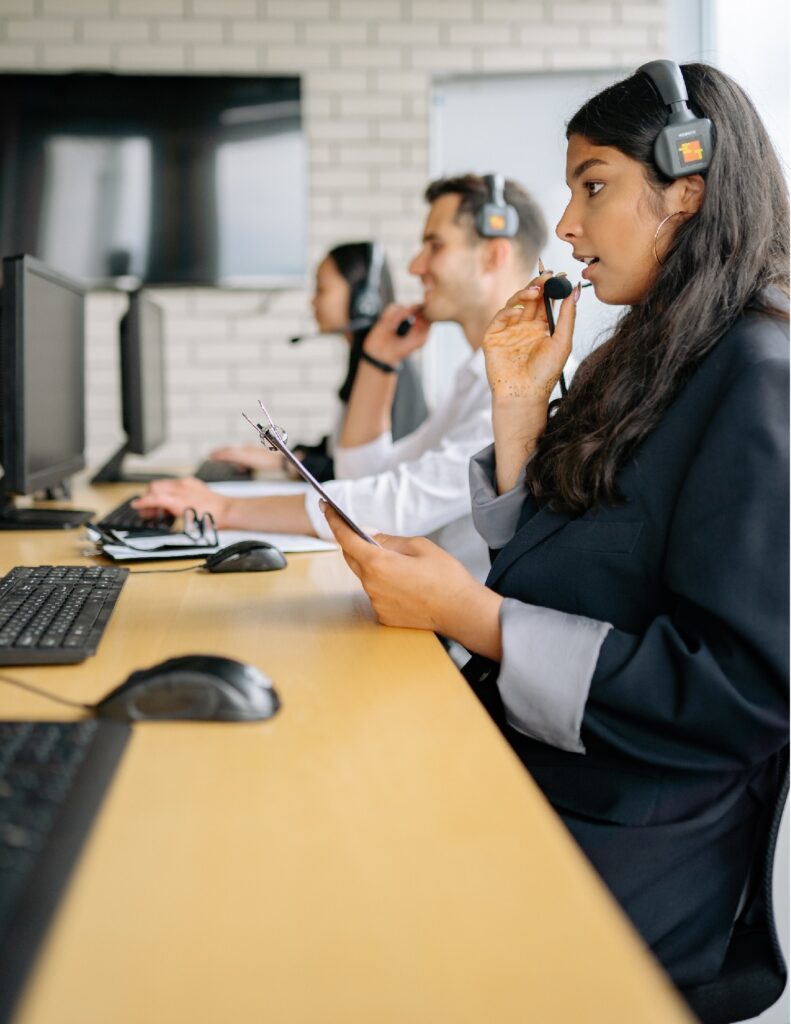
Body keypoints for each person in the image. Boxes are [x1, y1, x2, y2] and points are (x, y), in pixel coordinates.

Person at [322, 62, 789, 988]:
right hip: (555, 767)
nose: (567, 224)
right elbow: (566, 564)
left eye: (593, 184)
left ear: (686, 187)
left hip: (633, 830)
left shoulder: (758, 375)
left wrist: (468, 615)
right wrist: (520, 410)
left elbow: (736, 691)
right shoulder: (655, 356)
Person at [134, 175, 548, 580]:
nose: (415, 265)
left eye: (434, 245)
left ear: (494, 254)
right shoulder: (473, 378)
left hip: (449, 643)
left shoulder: (526, 387)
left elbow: (396, 506)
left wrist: (225, 510)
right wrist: (378, 362)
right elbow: (362, 477)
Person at [208, 241, 428, 481]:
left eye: (322, 290)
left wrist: (281, 462)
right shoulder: (364, 360)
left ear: (363, 300)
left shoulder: (385, 371)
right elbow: (340, 447)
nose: (312, 302)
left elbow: (361, 473)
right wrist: (287, 454)